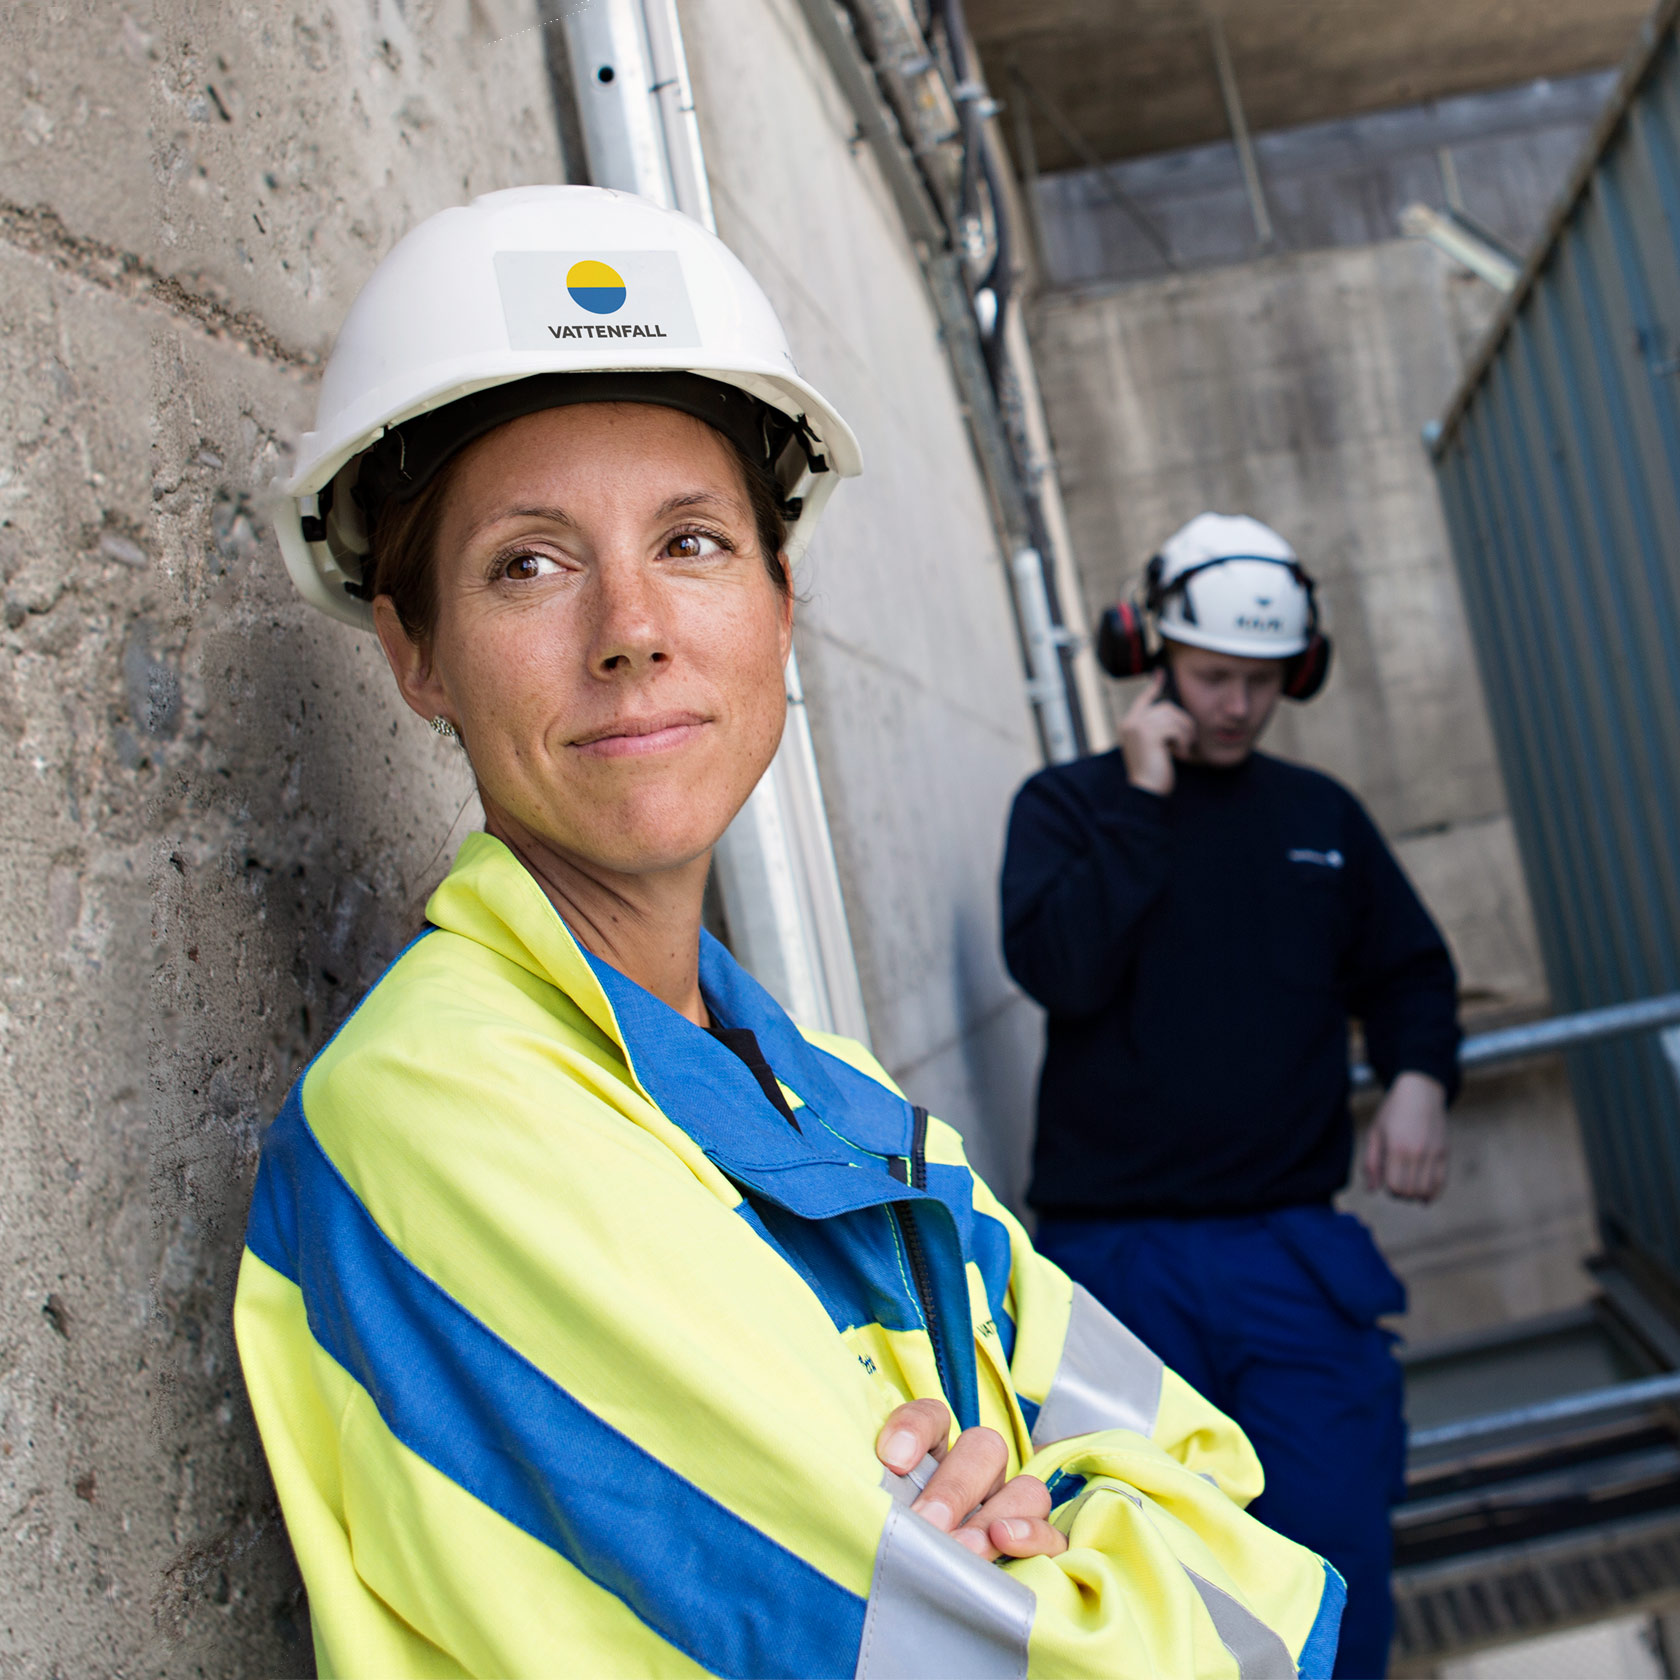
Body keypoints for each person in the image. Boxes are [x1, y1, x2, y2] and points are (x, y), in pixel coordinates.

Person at [234, 191, 1343, 1677]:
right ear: (413, 651)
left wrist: (1041, 1526)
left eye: (691, 542)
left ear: (779, 603)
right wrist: (1069, 1533)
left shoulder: (826, 1086)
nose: (631, 626)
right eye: (530, 564)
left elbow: (1225, 1494)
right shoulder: (441, 1115)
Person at [1001, 513, 1461, 1680]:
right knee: (1143, 1569)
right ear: (1148, 652)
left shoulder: (1319, 819)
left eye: (1262, 682)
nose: (1238, 705)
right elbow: (1062, 969)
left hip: (1290, 1256)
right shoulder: (1068, 807)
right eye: (1212, 676)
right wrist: (1143, 804)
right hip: (1116, 1267)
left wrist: (1418, 1078)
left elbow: (1409, 969)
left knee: (1334, 1549)